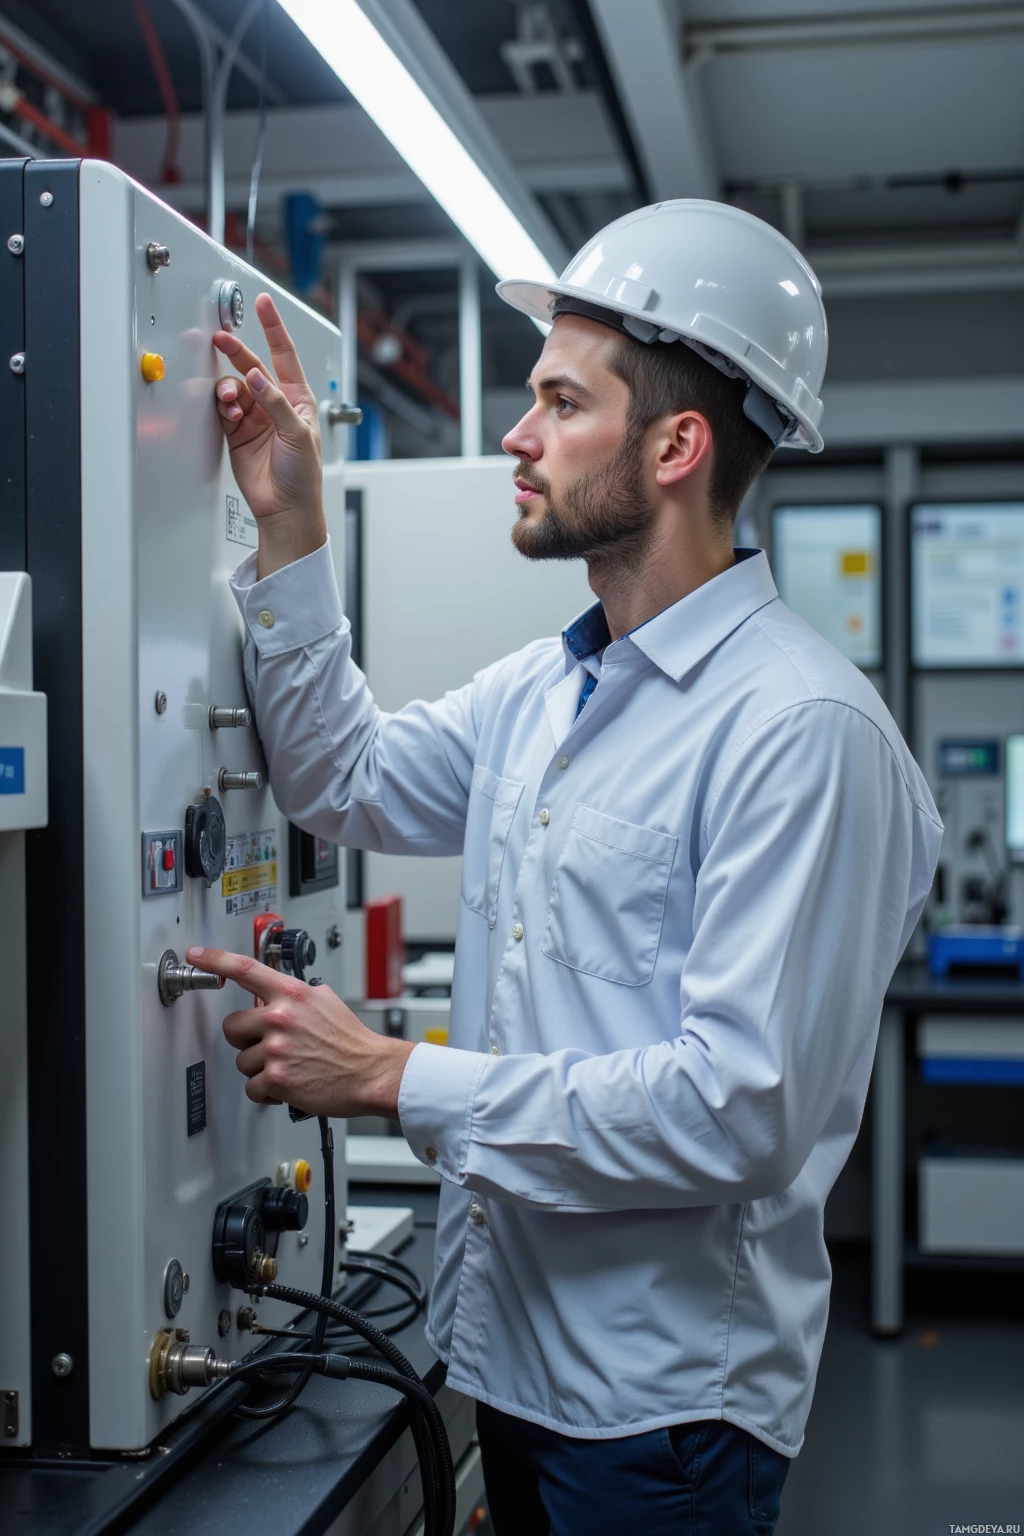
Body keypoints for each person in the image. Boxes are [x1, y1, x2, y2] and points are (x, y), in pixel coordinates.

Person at [189, 201, 942, 1535]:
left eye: (556, 401)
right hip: (516, 1367)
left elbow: (739, 1109)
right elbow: (339, 779)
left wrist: (392, 1075)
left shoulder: (801, 733)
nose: (514, 437)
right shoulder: (551, 690)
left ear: (674, 446)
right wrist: (291, 530)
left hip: (663, 1416)